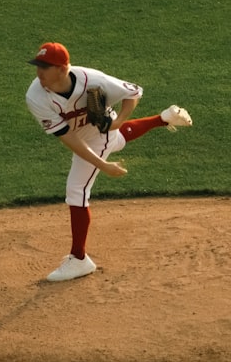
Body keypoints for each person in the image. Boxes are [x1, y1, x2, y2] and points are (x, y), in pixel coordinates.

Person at [25, 41, 193, 282]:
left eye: (45, 67)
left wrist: (117, 122)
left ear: (62, 69)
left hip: (99, 134)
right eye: (38, 66)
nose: (39, 72)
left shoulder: (93, 81)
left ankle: (79, 259)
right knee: (117, 140)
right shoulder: (36, 96)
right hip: (84, 135)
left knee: (77, 189)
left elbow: (134, 92)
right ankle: (163, 118)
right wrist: (103, 163)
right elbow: (68, 137)